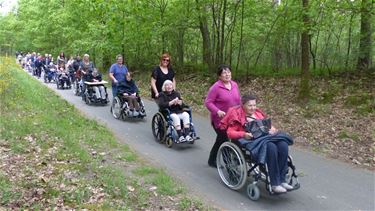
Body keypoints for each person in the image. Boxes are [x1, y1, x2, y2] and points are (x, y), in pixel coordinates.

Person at [220, 95, 294, 193]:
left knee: (283, 145)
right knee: (271, 148)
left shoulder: (258, 114)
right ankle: (275, 183)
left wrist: (272, 130)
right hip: (251, 141)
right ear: (243, 105)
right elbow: (230, 132)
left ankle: (282, 179)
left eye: (254, 105)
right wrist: (244, 134)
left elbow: (268, 126)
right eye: (250, 105)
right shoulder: (237, 115)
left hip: (266, 138)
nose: (253, 108)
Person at [204, 64, 241, 168]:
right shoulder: (216, 87)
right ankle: (227, 164)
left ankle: (235, 157)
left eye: (228, 72)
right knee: (223, 139)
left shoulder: (234, 85)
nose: (227, 74)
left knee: (235, 137)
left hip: (233, 118)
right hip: (220, 120)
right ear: (219, 76)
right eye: (224, 73)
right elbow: (208, 102)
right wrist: (217, 111)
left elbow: (238, 100)